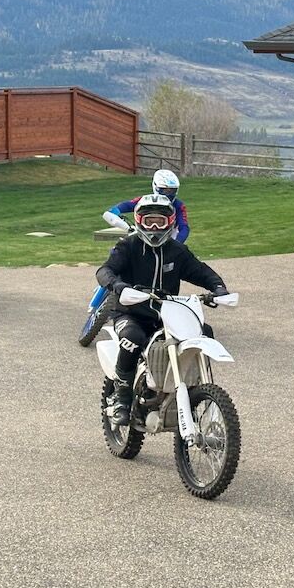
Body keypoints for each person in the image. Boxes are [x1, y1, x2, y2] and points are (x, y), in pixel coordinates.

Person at [95, 194, 228, 426]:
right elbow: (105, 270)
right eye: (149, 221)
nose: (154, 228)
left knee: (204, 331)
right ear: (139, 221)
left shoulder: (177, 250)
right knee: (132, 338)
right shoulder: (128, 246)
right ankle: (122, 399)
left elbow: (200, 271)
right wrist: (119, 286)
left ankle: (195, 391)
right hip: (130, 312)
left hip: (167, 314)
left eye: (160, 221)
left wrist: (218, 288)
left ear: (170, 222)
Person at [103, 169, 189, 243]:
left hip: (168, 239)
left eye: (172, 190)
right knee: (119, 250)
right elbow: (115, 210)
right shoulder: (144, 201)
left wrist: (177, 243)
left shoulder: (178, 205)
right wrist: (128, 228)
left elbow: (184, 227)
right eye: (165, 190)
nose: (169, 194)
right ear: (156, 187)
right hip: (143, 237)